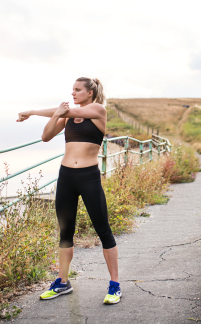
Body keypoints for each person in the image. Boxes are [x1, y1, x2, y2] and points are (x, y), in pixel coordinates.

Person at [16, 77, 121, 304]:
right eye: (72, 90)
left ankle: (114, 285)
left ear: (89, 93)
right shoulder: (67, 118)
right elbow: (45, 137)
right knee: (65, 232)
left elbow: (67, 111)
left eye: (77, 90)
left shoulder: (98, 110)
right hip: (66, 177)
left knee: (103, 230)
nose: (73, 93)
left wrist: (51, 111)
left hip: (89, 177)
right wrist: (40, 113)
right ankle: (63, 282)